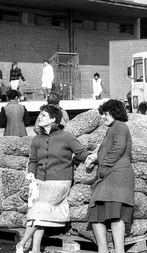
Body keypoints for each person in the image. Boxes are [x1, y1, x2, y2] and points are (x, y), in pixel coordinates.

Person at [15, 104, 90, 253]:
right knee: (39, 215)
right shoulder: (37, 139)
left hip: (60, 182)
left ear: (53, 119)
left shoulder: (66, 137)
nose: (39, 117)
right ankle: (35, 249)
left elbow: (81, 152)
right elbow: (33, 160)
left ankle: (22, 243)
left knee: (39, 210)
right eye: (40, 114)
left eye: (43, 115)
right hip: (40, 183)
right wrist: (31, 173)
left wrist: (92, 157)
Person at [84, 100, 134, 253]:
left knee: (115, 213)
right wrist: (95, 157)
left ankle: (118, 251)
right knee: (97, 212)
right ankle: (103, 250)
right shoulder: (113, 128)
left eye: (106, 114)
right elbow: (107, 150)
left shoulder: (119, 126)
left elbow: (118, 148)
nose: (103, 117)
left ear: (115, 113)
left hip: (117, 175)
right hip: (111, 174)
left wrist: (104, 166)